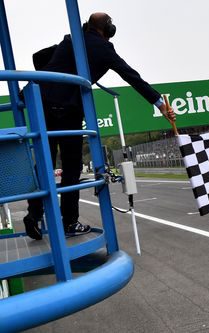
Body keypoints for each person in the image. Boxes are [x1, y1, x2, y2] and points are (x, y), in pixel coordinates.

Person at [23, 12, 175, 240]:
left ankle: (32, 216)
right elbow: (132, 76)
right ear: (108, 30)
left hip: (42, 103)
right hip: (67, 109)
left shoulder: (71, 39)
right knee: (72, 167)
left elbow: (39, 56)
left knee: (44, 163)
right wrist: (160, 104)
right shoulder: (104, 49)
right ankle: (69, 222)